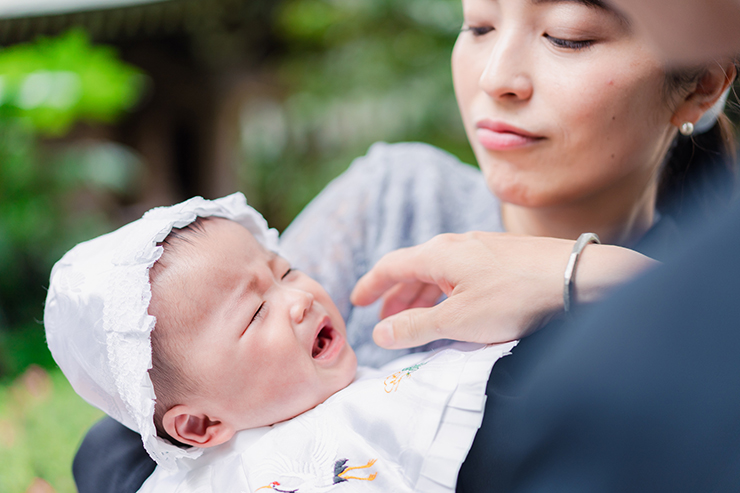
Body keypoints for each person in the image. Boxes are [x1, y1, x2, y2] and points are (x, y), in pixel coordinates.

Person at [70, 0, 739, 491]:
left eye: (568, 37)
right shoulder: (397, 200)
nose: (497, 76)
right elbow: (130, 434)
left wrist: (580, 274)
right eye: (478, 25)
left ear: (703, 82)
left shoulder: (716, 292)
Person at [45, 193, 514, 492]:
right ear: (199, 424)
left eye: (284, 271)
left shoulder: (394, 394)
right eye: (254, 314)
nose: (300, 299)